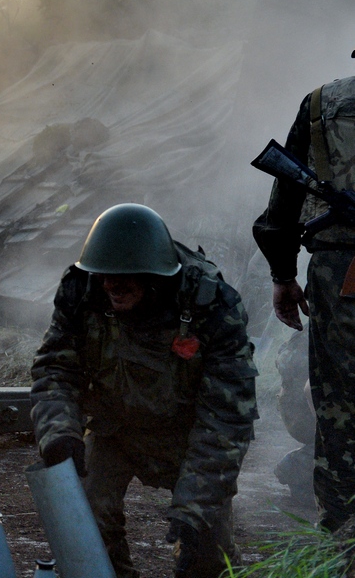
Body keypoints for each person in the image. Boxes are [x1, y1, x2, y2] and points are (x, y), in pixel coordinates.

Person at [31, 203, 258, 578]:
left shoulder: (211, 304)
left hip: (189, 438)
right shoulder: (82, 288)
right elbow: (55, 367)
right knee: (80, 520)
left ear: (155, 276)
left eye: (124, 278)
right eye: (104, 276)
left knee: (206, 553)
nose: (110, 287)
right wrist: (59, 434)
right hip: (113, 431)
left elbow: (227, 415)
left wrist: (194, 508)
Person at [254, 77, 355, 531]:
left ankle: (342, 536)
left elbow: (284, 203)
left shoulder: (321, 103)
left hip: (337, 270)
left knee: (340, 409)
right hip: (339, 269)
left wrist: (283, 273)